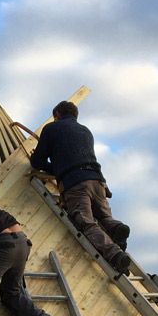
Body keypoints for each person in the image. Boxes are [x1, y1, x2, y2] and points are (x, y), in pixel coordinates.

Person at [29, 101, 131, 274]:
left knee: (86, 223)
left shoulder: (51, 129)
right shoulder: (85, 131)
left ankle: (115, 255)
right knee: (104, 217)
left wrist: (49, 167)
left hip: (75, 182)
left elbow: (37, 161)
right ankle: (115, 227)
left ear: (57, 114)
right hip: (98, 181)